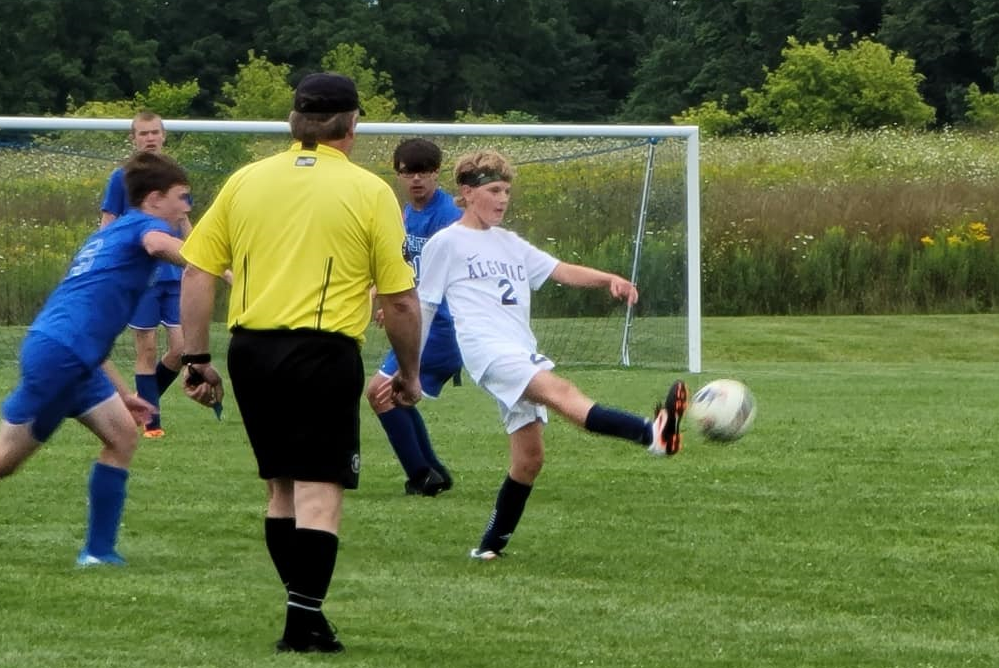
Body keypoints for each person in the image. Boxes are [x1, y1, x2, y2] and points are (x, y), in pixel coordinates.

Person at [178, 72, 423, 655]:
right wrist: (409, 374)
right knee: (320, 490)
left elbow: (195, 272)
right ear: (353, 124)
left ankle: (303, 611)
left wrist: (196, 360)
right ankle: (303, 623)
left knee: (280, 490)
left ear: (294, 121)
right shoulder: (367, 191)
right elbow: (401, 299)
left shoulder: (246, 181)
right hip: (322, 352)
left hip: (250, 353)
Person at [410, 149, 688, 561]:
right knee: (560, 391)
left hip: (520, 349)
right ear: (466, 193)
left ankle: (490, 547)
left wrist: (608, 278)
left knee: (529, 459)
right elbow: (425, 307)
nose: (502, 199)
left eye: (506, 190)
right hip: (487, 353)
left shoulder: (510, 242)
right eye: (492, 190)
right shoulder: (446, 243)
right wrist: (409, 370)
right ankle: (653, 434)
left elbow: (560, 270)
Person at [0, 152, 190, 566]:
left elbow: (92, 332)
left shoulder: (110, 233)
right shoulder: (146, 225)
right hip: (60, 356)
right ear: (155, 199)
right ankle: (98, 552)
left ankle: (98, 553)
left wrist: (124, 394)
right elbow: (159, 245)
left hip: (70, 354)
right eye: (181, 197)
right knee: (4, 458)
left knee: (122, 436)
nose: (186, 207)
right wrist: (218, 265)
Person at [366, 138, 463, 497]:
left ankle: (422, 474)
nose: (416, 180)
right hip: (421, 321)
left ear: (437, 173)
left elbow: (450, 276)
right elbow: (408, 268)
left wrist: (406, 305)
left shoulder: (451, 216)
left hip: (442, 326)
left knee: (379, 393)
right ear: (399, 175)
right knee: (393, 394)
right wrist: (390, 301)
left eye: (424, 172)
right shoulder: (406, 214)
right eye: (409, 173)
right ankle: (431, 470)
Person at [100, 111, 191, 439]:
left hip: (172, 272)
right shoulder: (121, 178)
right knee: (147, 347)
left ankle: (142, 403)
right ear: (133, 139)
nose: (150, 138)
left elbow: (183, 223)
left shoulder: (175, 178)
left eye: (155, 132)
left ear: (164, 136)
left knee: (182, 348)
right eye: (143, 133)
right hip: (142, 276)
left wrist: (195, 259)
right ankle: (152, 422)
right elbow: (108, 223)